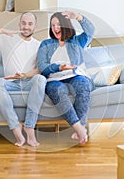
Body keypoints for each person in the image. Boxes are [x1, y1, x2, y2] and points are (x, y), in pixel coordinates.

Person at [0, 12, 46, 147]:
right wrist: (1, 30)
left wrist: (25, 75)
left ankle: (29, 127)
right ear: (19, 24)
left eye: (30, 24)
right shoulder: (6, 39)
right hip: (10, 83)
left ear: (35, 27)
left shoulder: (39, 45)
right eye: (24, 23)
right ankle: (15, 127)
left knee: (40, 79)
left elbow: (39, 69)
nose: (26, 27)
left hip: (28, 82)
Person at [37, 11, 95, 145]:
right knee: (58, 91)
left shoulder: (76, 41)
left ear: (65, 25)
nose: (55, 28)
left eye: (58, 24)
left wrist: (78, 17)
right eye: (52, 25)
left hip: (75, 75)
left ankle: (79, 128)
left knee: (83, 85)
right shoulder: (45, 44)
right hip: (54, 79)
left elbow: (91, 31)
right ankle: (79, 129)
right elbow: (42, 67)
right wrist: (59, 68)